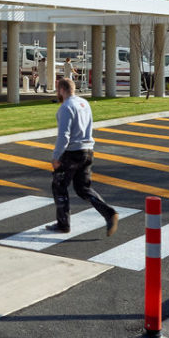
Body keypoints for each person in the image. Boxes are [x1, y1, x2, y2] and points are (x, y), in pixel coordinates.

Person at [50, 75, 118, 234]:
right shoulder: (84, 103)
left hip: (73, 152)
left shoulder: (66, 107)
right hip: (88, 151)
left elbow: (64, 135)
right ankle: (109, 213)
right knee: (83, 188)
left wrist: (56, 156)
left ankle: (63, 224)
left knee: (59, 185)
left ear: (61, 90)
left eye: (57, 90)